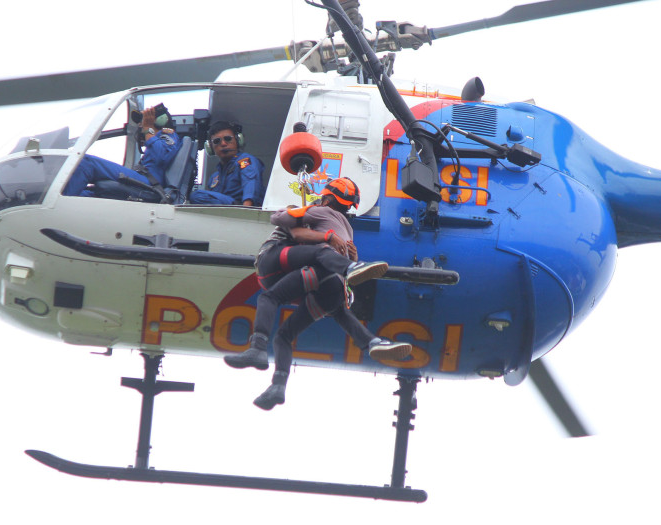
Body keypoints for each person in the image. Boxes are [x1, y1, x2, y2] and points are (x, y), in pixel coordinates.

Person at [223, 177, 412, 410]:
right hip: (326, 281)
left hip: (275, 264)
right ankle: (370, 342)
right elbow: (331, 251)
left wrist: (317, 228)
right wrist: (347, 257)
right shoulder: (348, 230)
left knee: (271, 296)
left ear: (328, 198)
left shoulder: (317, 212)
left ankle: (257, 348)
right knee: (331, 313)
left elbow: (282, 221)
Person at [63, 105, 182, 200]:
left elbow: (161, 155)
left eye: (144, 121)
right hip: (142, 178)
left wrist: (148, 129)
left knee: (86, 163)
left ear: (160, 121)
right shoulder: (156, 137)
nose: (141, 125)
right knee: (84, 193)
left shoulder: (169, 134)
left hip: (150, 183)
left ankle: (62, 207)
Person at [189, 121, 265, 206]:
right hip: (225, 215)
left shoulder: (245, 161)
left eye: (228, 139)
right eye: (217, 141)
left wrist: (246, 208)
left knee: (196, 195)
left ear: (238, 140)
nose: (223, 144)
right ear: (210, 147)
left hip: (244, 210)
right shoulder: (214, 177)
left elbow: (251, 183)